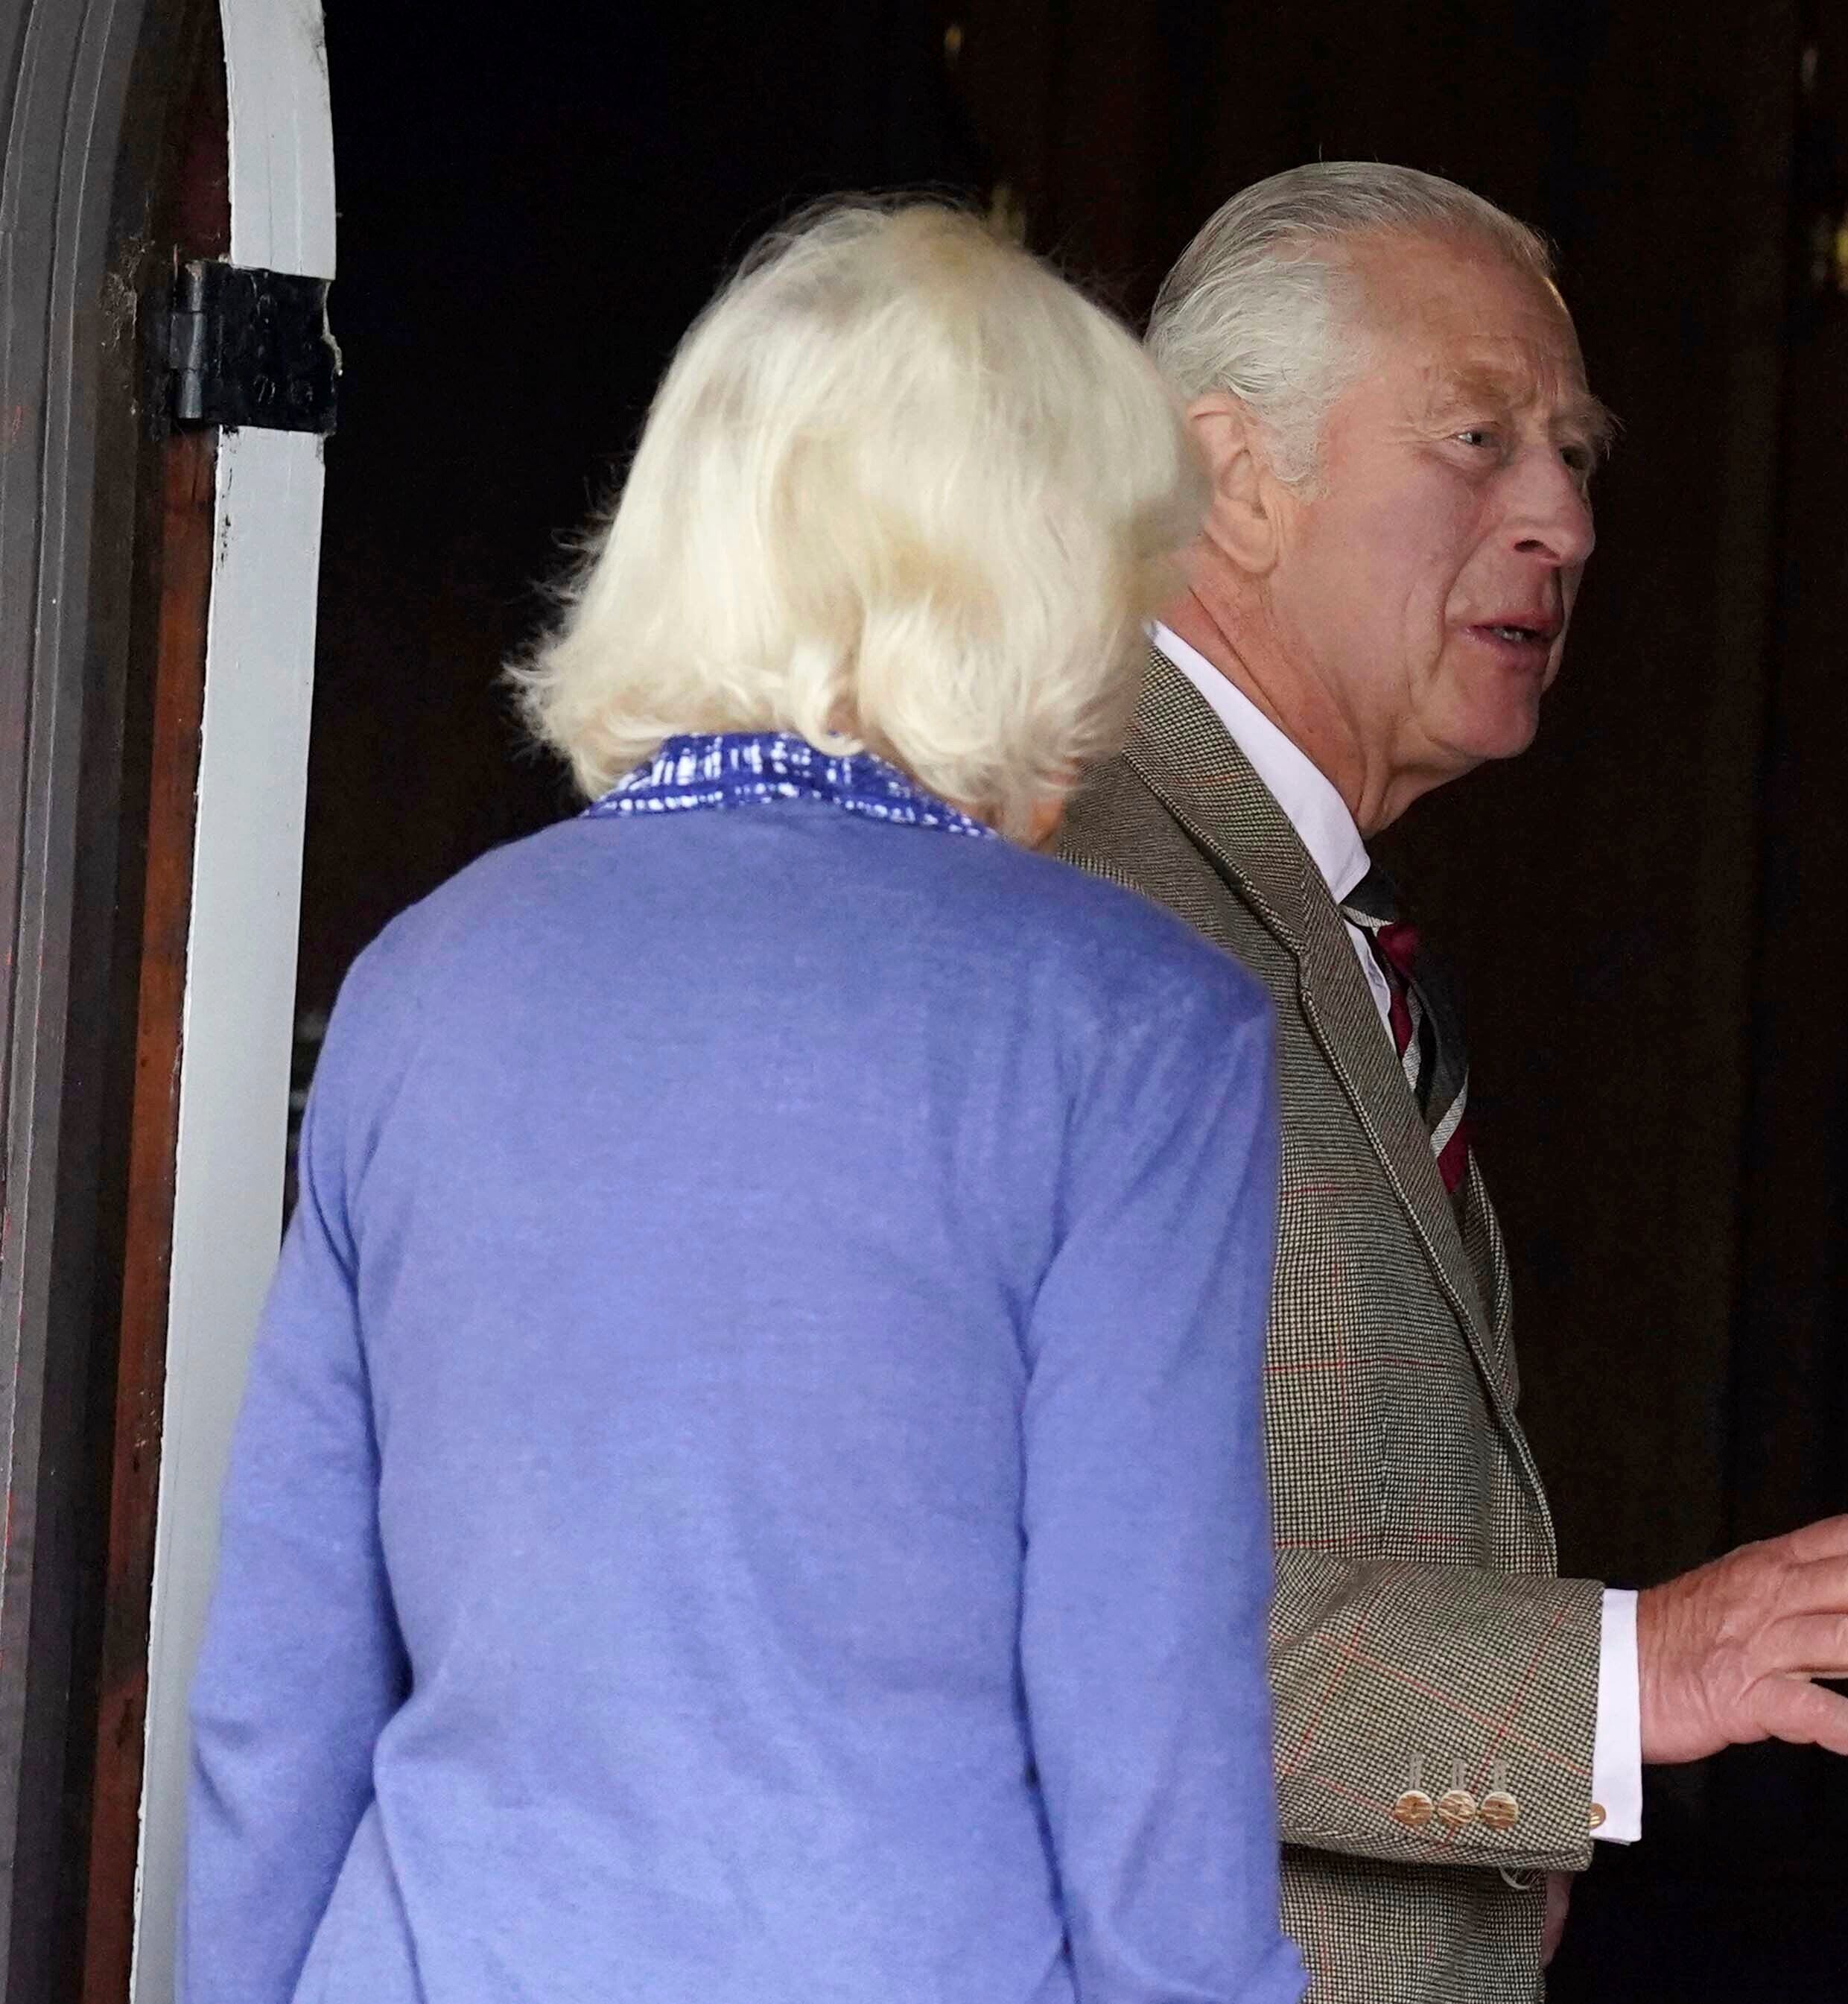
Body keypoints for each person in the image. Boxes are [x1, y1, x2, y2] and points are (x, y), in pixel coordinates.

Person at [179, 200, 1306, 2004]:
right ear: (1022, 595)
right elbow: (1145, 1703)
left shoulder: (419, 983)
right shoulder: (1133, 1029)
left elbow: (280, 1693)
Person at [1056, 162, 1848, 1997]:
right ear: (1232, 474)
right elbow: (1069, 1608)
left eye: (1574, 453)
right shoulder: (1083, 891)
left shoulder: (1293, 886)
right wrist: (1620, 1682)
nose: (1561, 517)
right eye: (1478, 440)